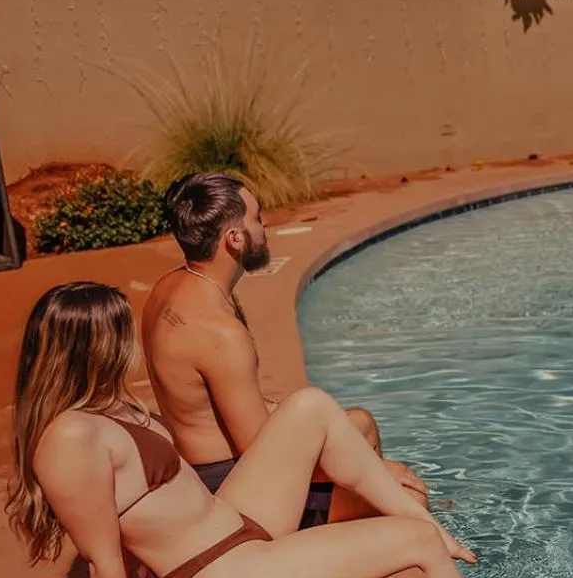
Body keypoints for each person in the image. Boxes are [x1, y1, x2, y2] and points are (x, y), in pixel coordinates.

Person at [7, 283, 542, 578]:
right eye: (120, 332)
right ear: (94, 344)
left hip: (233, 522)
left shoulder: (110, 402)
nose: (130, 345)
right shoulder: (69, 441)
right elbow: (102, 557)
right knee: (416, 541)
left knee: (311, 407)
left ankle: (421, 518)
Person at [141, 171, 418, 527]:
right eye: (256, 218)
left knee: (359, 424)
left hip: (210, 468)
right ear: (235, 238)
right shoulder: (220, 332)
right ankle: (316, 538)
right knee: (409, 494)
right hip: (235, 493)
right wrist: (372, 475)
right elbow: (262, 452)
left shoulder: (170, 287)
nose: (264, 226)